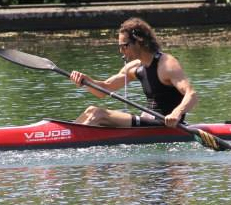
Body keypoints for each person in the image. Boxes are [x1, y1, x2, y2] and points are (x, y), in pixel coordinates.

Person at [69, 17, 198, 128]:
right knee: (90, 110)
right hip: (148, 120)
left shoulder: (166, 64)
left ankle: (69, 142)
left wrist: (176, 113)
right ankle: (64, 134)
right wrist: (85, 81)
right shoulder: (134, 67)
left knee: (98, 114)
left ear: (139, 40)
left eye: (124, 45)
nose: (121, 51)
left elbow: (191, 94)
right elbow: (104, 89)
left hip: (165, 123)